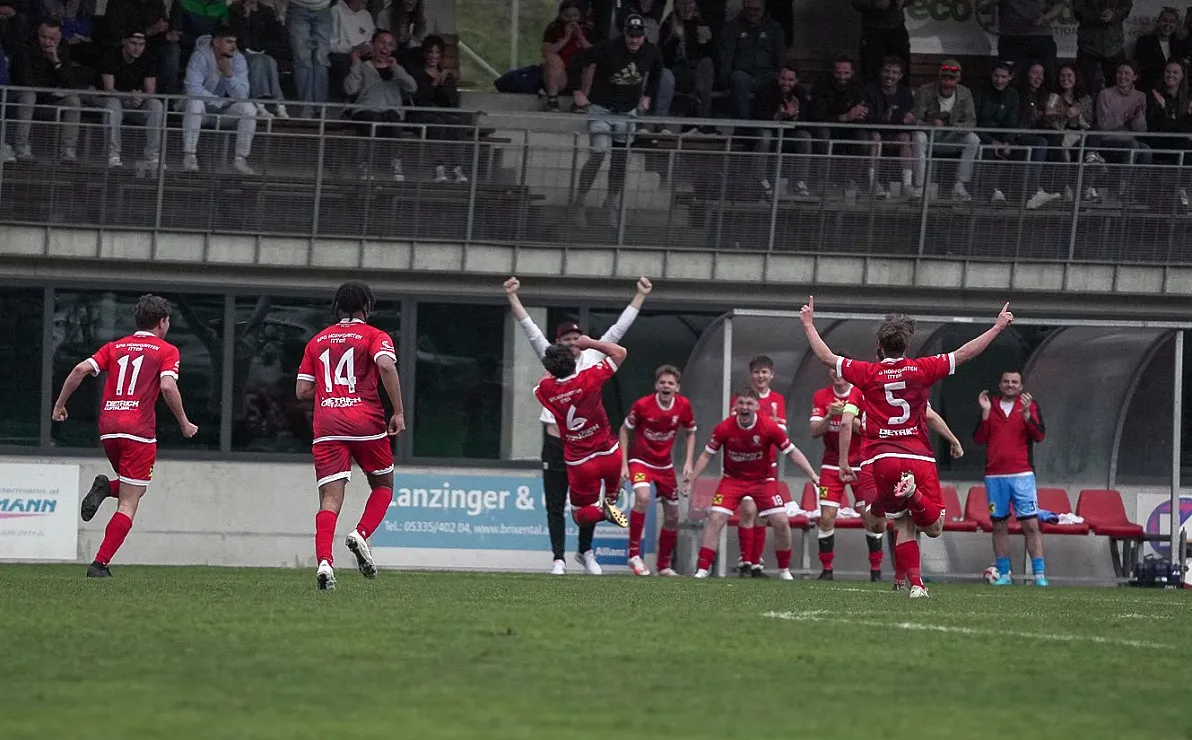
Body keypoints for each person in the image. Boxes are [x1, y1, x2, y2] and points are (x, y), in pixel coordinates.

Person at [799, 296, 1015, 598]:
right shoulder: (921, 369)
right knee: (933, 526)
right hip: (918, 457)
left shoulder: (867, 373)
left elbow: (825, 356)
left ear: (879, 346)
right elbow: (965, 354)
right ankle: (912, 518)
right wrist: (996, 328)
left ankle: (914, 583)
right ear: (907, 346)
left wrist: (809, 324)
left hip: (883, 457)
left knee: (901, 521)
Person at [504, 275, 651, 574]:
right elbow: (530, 329)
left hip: (585, 448)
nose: (572, 343)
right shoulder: (553, 359)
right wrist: (513, 297)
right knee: (557, 503)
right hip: (558, 444)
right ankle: (559, 558)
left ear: (583, 340)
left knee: (587, 500)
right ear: (558, 344)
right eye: (566, 339)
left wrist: (640, 296)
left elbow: (619, 330)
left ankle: (586, 552)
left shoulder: (592, 356)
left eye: (576, 338)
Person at [51, 294, 199, 578]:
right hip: (139, 432)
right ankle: (99, 564)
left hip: (108, 429)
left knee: (135, 487)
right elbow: (168, 387)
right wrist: (184, 422)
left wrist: (59, 405)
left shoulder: (115, 347)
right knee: (131, 500)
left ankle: (106, 488)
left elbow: (81, 369)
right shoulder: (166, 350)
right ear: (163, 322)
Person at [295, 282, 405, 591]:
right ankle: (360, 533)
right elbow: (385, 364)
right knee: (383, 485)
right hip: (365, 422)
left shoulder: (317, 341)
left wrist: (332, 393)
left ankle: (325, 563)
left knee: (330, 498)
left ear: (337, 308)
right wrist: (398, 411)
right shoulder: (374, 335)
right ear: (366, 308)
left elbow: (302, 391)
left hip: (328, 424)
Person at [682, 388, 820, 580]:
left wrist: (812, 474)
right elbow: (707, 455)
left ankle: (784, 570)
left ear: (756, 406)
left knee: (780, 521)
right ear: (735, 406)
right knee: (715, 518)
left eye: (749, 404)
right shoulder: (724, 428)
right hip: (733, 480)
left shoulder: (769, 427)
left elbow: (792, 452)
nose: (744, 407)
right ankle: (702, 570)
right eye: (741, 403)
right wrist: (691, 479)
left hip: (763, 481)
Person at [839, 386, 966, 588]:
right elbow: (930, 416)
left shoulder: (861, 385)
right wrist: (954, 440)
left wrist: (844, 460)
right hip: (912, 458)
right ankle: (912, 581)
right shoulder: (910, 381)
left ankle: (906, 579)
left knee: (889, 522)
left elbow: (846, 421)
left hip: (876, 461)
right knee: (909, 522)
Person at [534, 338, 631, 544]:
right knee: (612, 491)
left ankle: (604, 513)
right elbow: (620, 352)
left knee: (580, 516)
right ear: (574, 361)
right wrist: (590, 343)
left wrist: (552, 366)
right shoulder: (591, 377)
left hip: (581, 463)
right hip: (609, 453)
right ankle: (612, 497)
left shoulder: (546, 390)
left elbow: (541, 383)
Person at [570, 13, 662, 228]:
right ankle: (580, 202)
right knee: (598, 153)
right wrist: (577, 91)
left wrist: (648, 95)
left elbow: (658, 70)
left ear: (644, 36)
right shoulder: (607, 48)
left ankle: (610, 202)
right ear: (625, 33)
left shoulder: (651, 51)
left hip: (627, 112)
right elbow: (576, 61)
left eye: (638, 36)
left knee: (620, 160)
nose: (634, 40)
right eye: (631, 35)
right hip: (602, 109)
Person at [619, 364, 697, 576]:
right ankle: (634, 555)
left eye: (670, 383)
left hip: (665, 465)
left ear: (677, 388)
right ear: (656, 385)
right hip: (641, 461)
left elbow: (691, 432)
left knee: (672, 515)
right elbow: (625, 430)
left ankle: (663, 566)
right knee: (643, 498)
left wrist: (689, 462)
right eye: (662, 382)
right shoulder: (643, 405)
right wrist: (624, 463)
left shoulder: (683, 406)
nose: (666, 386)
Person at [974, 371, 1047, 586]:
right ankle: (1004, 575)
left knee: (1031, 525)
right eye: (1006, 381)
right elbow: (979, 439)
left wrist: (1026, 416)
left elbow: (1040, 435)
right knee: (999, 525)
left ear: (1021, 385)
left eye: (1014, 382)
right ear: (1000, 384)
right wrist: (985, 413)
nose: (1010, 385)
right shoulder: (991, 404)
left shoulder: (1030, 405)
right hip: (995, 476)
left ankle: (1039, 576)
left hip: (1022, 474)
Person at [731, 354, 787, 577]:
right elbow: (734, 425)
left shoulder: (777, 400)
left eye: (765, 372)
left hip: (768, 464)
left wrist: (771, 426)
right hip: (744, 464)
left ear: (771, 375)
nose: (760, 376)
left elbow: (782, 431)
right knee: (748, 510)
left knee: (762, 514)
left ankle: (756, 564)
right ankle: (745, 560)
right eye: (756, 372)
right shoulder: (743, 398)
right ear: (751, 374)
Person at [808, 366, 864, 580]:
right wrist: (830, 415)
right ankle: (827, 569)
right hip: (831, 464)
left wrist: (848, 415)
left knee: (870, 517)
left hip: (860, 463)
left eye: (841, 370)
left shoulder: (861, 394)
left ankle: (876, 571)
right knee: (827, 516)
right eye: (833, 370)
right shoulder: (821, 396)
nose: (837, 374)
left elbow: (869, 429)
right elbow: (814, 431)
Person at [181, 24, 258, 175]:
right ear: (216, 42)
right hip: (201, 110)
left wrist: (229, 74)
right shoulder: (200, 56)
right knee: (195, 103)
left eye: (235, 42)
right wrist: (220, 101)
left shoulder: (239, 59)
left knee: (248, 108)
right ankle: (189, 156)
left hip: (222, 113)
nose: (234, 47)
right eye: (229, 42)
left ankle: (240, 159)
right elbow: (193, 89)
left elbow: (243, 95)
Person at [97, 29, 166, 170]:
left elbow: (151, 91)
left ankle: (153, 156)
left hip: (136, 103)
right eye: (133, 43)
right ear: (124, 42)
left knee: (156, 105)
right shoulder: (111, 55)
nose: (137, 48)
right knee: (113, 104)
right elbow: (109, 89)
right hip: (112, 100)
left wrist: (140, 97)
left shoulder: (148, 58)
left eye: (141, 44)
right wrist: (129, 96)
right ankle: (113, 154)